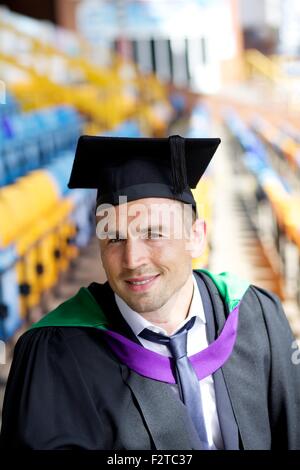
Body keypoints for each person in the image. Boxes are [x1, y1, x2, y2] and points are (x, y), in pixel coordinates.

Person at [0, 134, 300, 450]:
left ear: (196, 237)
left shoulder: (258, 317)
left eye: (153, 233)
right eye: (114, 238)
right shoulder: (53, 355)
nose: (132, 260)